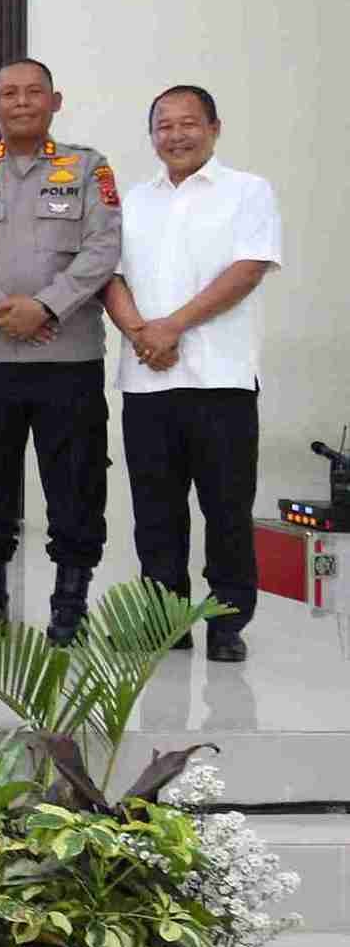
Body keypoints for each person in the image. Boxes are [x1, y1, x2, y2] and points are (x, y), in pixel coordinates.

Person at [0, 57, 122, 645]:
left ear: (55, 101)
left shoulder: (88, 168)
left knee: (76, 485)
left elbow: (103, 248)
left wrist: (45, 306)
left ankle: (70, 605)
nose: (21, 103)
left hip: (68, 359)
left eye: (33, 92)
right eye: (9, 94)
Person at [103, 86, 281, 662]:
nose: (176, 135)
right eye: (164, 125)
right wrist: (141, 333)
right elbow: (110, 276)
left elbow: (248, 269)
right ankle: (165, 623)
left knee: (226, 510)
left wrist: (172, 327)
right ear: (151, 134)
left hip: (222, 380)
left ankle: (227, 624)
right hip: (146, 381)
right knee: (156, 513)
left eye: (188, 123)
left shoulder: (248, 191)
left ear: (214, 127)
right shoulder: (132, 201)